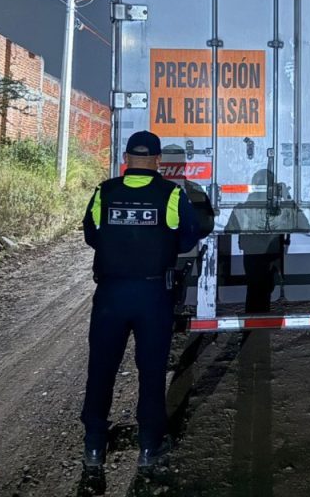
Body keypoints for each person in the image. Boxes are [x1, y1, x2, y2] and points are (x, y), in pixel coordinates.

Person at [80, 130, 213, 479]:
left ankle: (94, 445)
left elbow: (91, 235)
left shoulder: (104, 192)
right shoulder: (171, 194)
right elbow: (189, 236)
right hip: (153, 296)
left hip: (110, 294)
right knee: (152, 372)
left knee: (101, 368)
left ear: (126, 159)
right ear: (157, 161)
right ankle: (149, 446)